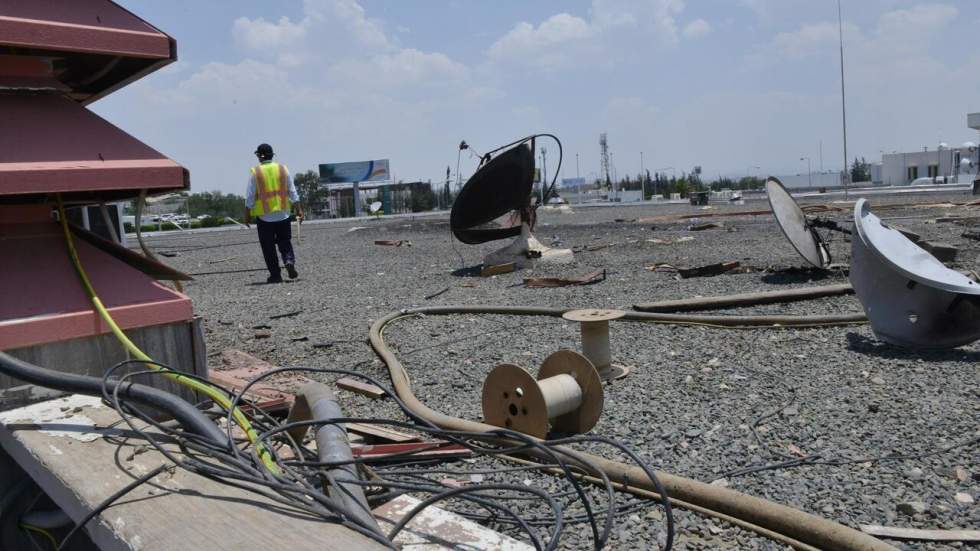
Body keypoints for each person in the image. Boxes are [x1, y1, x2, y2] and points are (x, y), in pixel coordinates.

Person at [244, 143, 304, 283]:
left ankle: (275, 275)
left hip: (265, 217)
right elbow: (292, 191)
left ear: (259, 156)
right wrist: (299, 209)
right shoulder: (283, 169)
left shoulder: (256, 172)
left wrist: (247, 215)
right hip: (283, 214)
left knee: (268, 247)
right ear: (272, 155)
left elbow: (250, 197)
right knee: (285, 241)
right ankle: (289, 260)